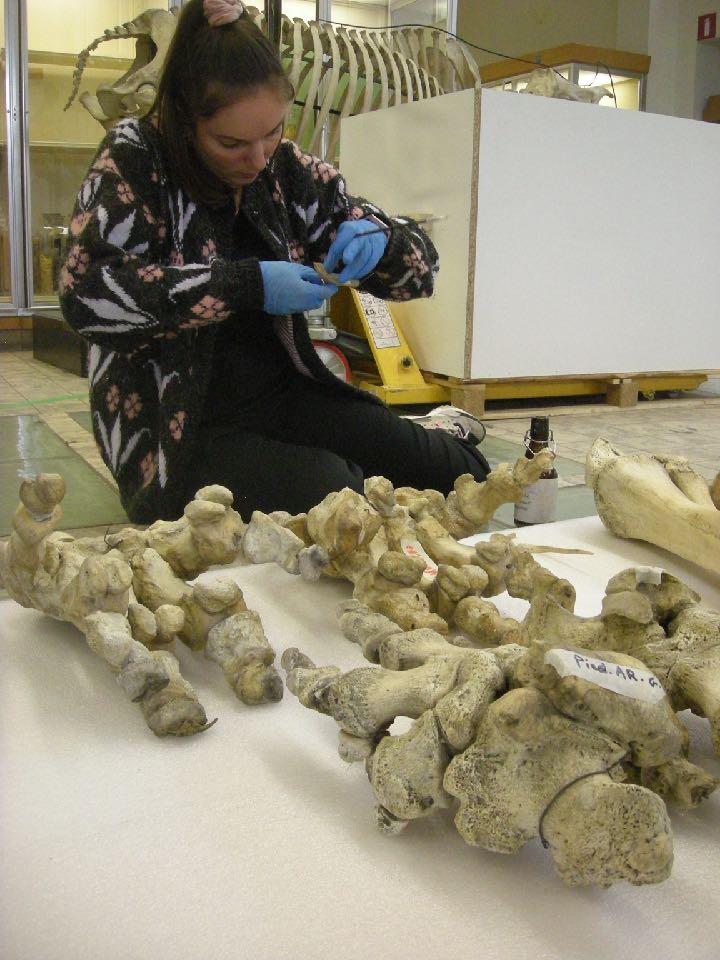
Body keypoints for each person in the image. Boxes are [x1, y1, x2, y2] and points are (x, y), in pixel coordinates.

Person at [59, 0, 490, 524]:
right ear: (185, 120)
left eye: (273, 132)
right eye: (231, 143)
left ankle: (439, 430)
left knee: (463, 474)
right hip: (176, 430)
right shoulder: (137, 155)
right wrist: (248, 285)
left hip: (283, 396)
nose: (258, 158)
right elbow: (87, 294)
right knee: (336, 493)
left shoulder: (284, 171)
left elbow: (421, 270)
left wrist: (385, 240)